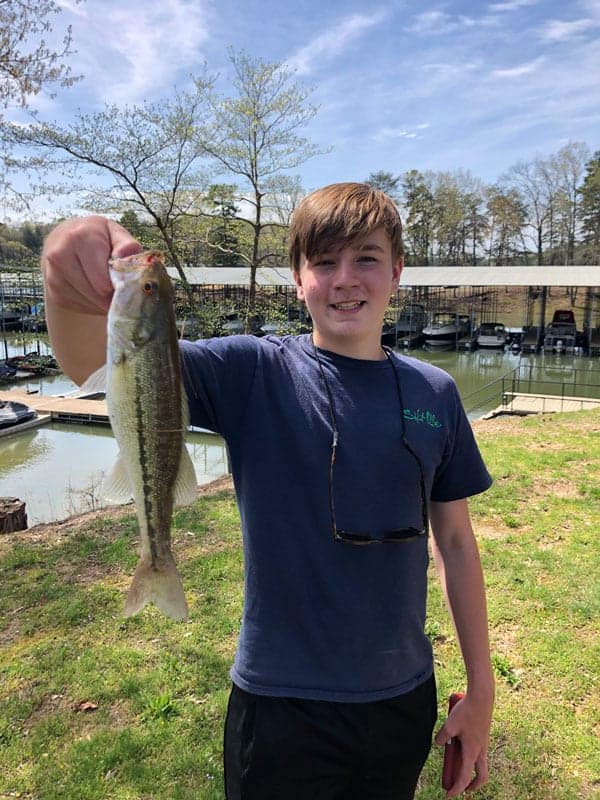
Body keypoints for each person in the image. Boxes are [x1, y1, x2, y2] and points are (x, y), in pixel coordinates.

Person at [42, 182, 495, 800]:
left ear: (396, 271)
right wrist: (62, 269)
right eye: (324, 261)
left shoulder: (435, 393)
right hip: (280, 703)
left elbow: (457, 544)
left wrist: (482, 690)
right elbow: (94, 361)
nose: (345, 279)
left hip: (400, 698)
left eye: (365, 257)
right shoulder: (252, 371)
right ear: (297, 277)